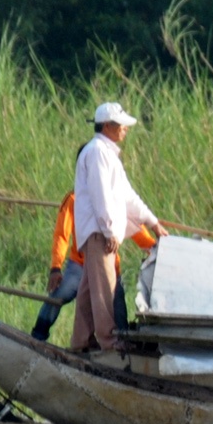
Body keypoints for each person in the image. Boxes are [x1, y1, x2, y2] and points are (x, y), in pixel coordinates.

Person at [71, 102, 168, 353]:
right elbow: (100, 195)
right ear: (107, 126)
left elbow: (127, 196)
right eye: (121, 125)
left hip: (99, 231)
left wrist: (153, 222)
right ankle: (110, 342)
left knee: (89, 289)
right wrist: (109, 231)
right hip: (99, 233)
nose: (125, 129)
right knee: (105, 288)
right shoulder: (97, 152)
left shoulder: (107, 154)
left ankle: (81, 341)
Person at [32, 163, 155, 342]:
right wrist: (55, 268)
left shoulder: (113, 200)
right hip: (79, 265)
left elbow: (137, 229)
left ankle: (122, 344)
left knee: (117, 306)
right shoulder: (74, 200)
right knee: (59, 295)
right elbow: (61, 236)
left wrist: (154, 248)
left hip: (108, 265)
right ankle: (37, 337)